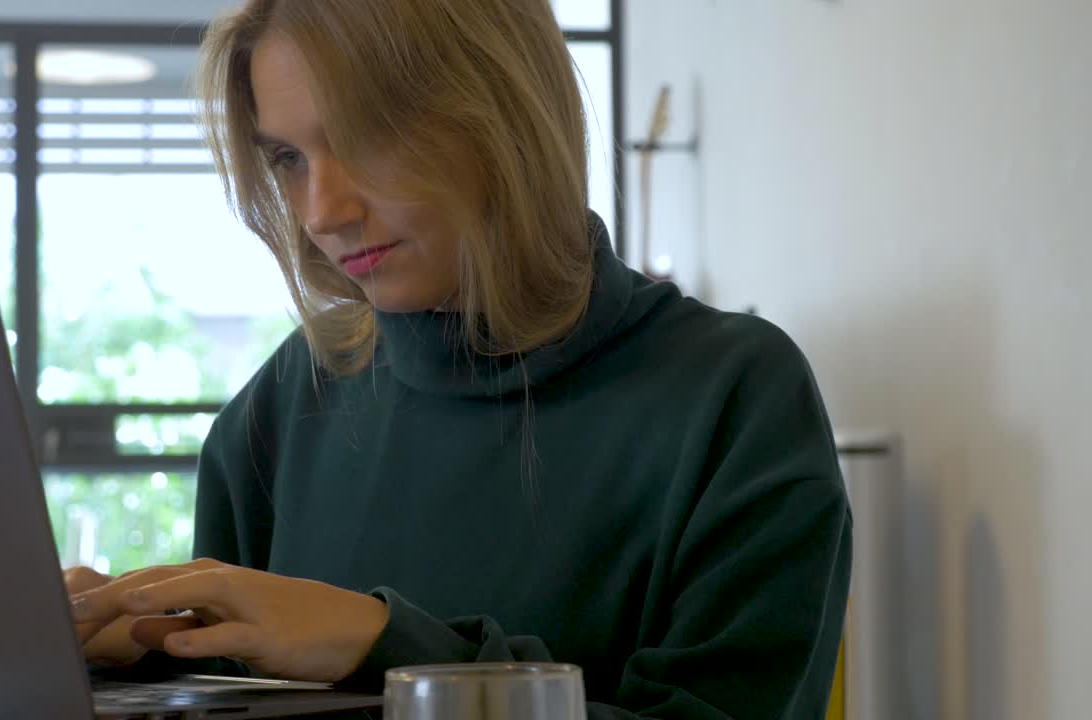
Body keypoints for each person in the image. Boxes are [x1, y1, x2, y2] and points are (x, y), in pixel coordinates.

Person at [67, 0, 853, 717]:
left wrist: (384, 645)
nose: (323, 213)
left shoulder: (733, 396)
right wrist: (123, 657)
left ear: (502, 111)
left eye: (365, 137)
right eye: (289, 160)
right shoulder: (283, 404)